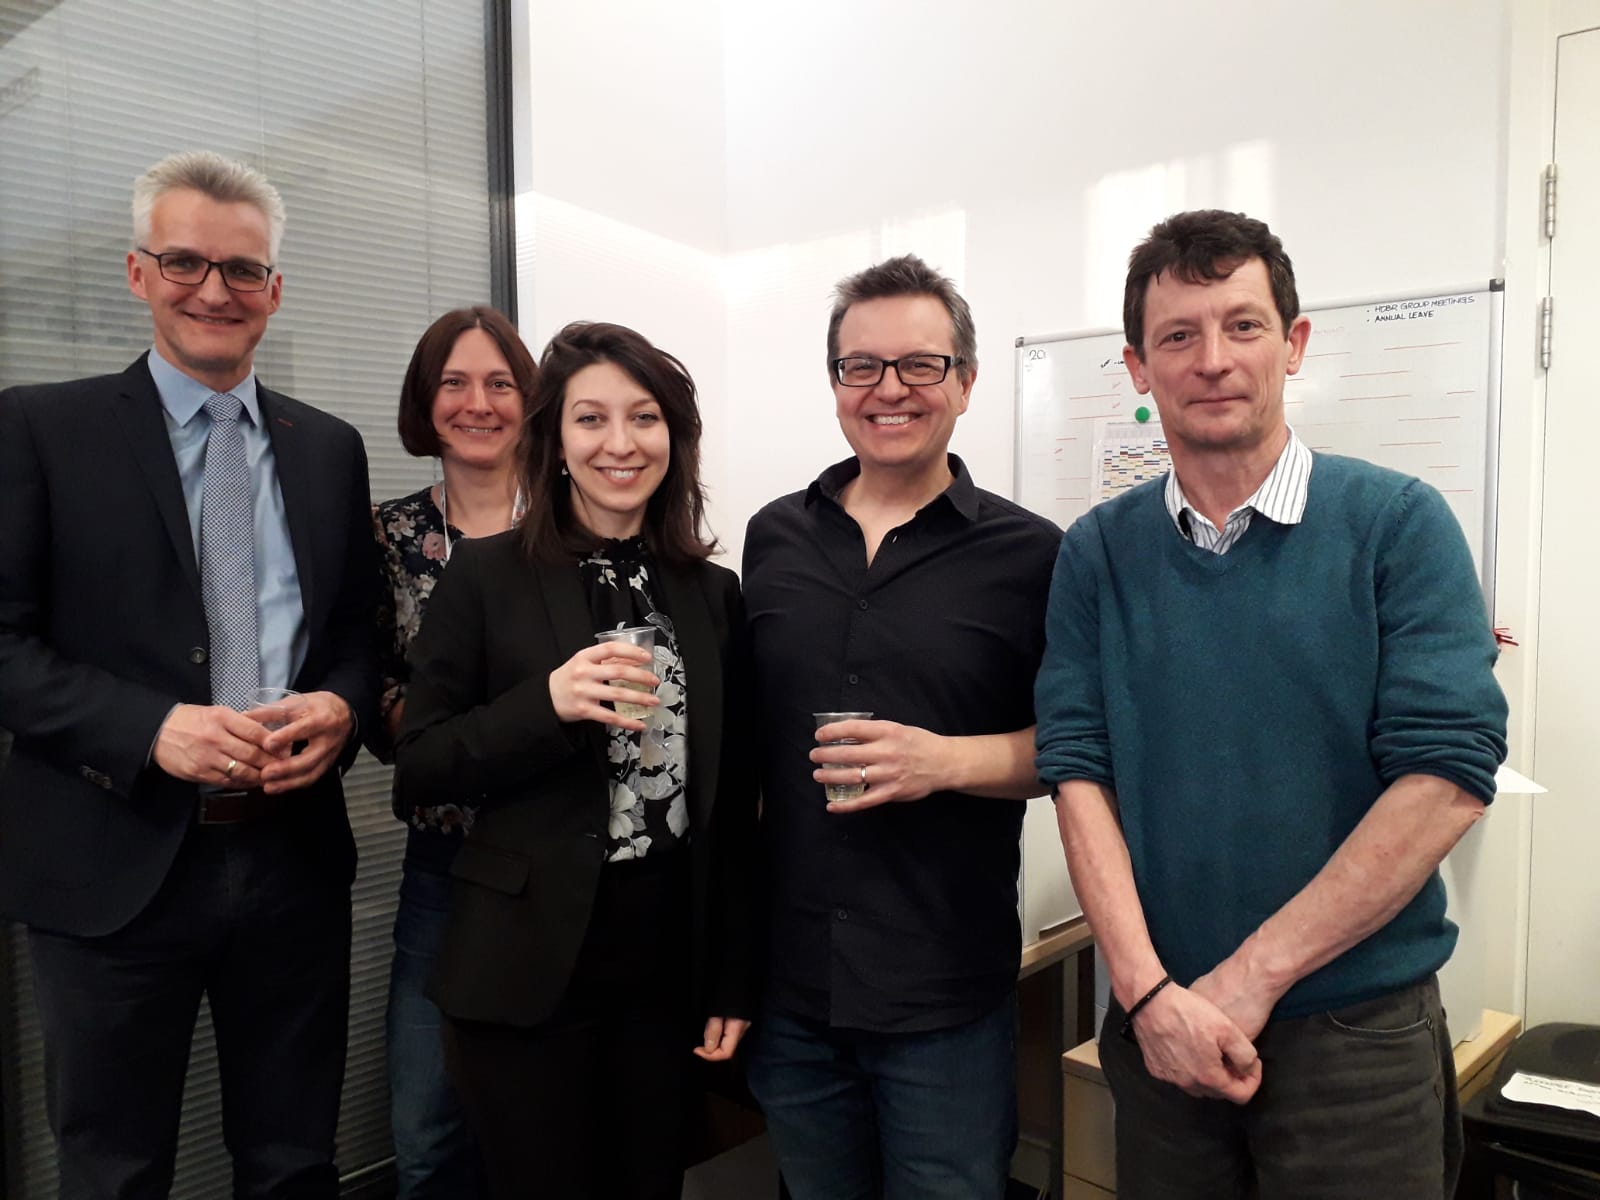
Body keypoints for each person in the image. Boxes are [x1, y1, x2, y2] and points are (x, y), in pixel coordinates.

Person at [1034, 209, 1509, 1199]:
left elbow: (1447, 779)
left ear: (1292, 344)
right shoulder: (1096, 552)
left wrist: (1247, 980)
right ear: (1138, 368)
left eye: (1242, 325)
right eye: (1177, 335)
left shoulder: (1398, 525)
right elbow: (1076, 771)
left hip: (1354, 1040)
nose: (1212, 359)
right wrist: (1146, 995)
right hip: (1159, 1027)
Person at [0, 150, 379, 1197]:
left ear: (275, 290)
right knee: (115, 1173)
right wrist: (150, 728)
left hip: (293, 863)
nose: (214, 289)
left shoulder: (328, 448)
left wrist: (342, 707)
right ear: (138, 273)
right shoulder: (40, 429)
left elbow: (356, 634)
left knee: (294, 1162)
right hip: (112, 867)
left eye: (242, 269)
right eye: (184, 262)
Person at [393, 320, 759, 1199]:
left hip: (664, 965)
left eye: (644, 417)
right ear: (555, 441)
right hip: (526, 967)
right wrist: (544, 705)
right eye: (591, 419)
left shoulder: (712, 592)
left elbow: (735, 802)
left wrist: (734, 978)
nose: (619, 443)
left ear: (675, 437)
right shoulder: (486, 576)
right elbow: (420, 767)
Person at [740, 254, 1061, 1200]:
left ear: (965, 382)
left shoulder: (1032, 554)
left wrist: (944, 761)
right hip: (792, 987)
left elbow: (1077, 750)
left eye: (920, 365)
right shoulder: (773, 536)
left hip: (943, 993)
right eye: (861, 366)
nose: (889, 390)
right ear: (835, 381)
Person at [371, 305, 536, 1198]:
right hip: (444, 865)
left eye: (500, 383)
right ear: (424, 402)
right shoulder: (387, 536)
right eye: (455, 382)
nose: (479, 403)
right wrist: (496, 731)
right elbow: (372, 696)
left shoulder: (578, 524)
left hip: (561, 859)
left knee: (542, 1131)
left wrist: (460, 729)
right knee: (427, 1131)